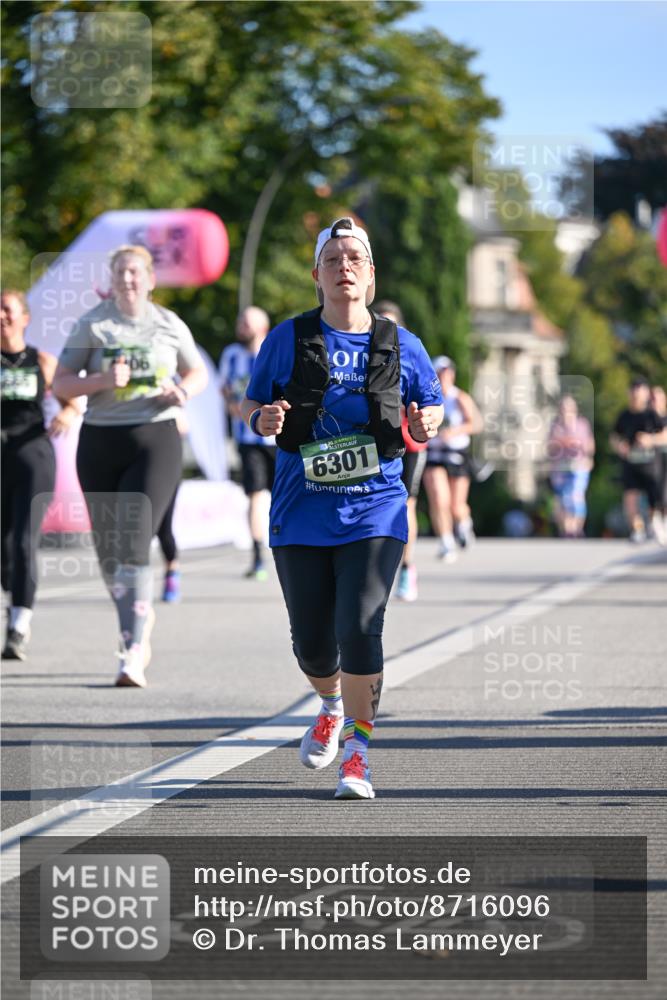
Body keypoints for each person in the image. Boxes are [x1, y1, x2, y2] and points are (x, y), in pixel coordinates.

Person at [242, 217, 443, 799]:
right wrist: (262, 418)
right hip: (301, 510)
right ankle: (329, 703)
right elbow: (252, 402)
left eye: (355, 258)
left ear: (371, 275)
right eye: (332, 259)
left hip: (376, 508)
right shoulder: (287, 338)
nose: (344, 266)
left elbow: (429, 409)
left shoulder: (403, 345)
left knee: (359, 627)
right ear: (318, 276)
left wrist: (426, 422)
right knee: (311, 642)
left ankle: (357, 750)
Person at [52, 245, 207, 687]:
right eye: (121, 272)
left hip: (155, 438)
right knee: (108, 550)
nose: (129, 280)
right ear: (112, 279)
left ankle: (131, 650)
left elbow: (197, 373)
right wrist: (100, 381)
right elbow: (60, 382)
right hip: (100, 439)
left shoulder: (167, 324)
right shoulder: (93, 323)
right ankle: (137, 613)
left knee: (134, 537)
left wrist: (183, 393)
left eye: (136, 272)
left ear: (151, 280)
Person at [1, 290, 80, 660]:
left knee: (22, 542)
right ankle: (12, 591)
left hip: (32, 455)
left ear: (24, 318)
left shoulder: (42, 361)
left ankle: (18, 625)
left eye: (7, 310)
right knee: (4, 549)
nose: (2, 316)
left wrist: (66, 413)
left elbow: (72, 398)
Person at [375, 300, 427, 602]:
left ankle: (407, 568)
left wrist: (427, 417)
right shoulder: (362, 358)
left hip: (409, 444)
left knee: (405, 505)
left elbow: (433, 399)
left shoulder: (413, 355)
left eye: (393, 324)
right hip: (377, 443)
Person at [220, 307, 275, 580]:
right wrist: (236, 408)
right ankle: (257, 557)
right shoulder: (231, 355)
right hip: (247, 438)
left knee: (284, 495)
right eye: (240, 320)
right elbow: (227, 393)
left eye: (247, 321)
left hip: (279, 439)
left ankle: (289, 548)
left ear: (262, 326)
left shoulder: (276, 351)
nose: (241, 325)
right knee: (254, 495)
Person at [423, 355, 482, 562]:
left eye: (447, 373)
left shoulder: (459, 398)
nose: (444, 377)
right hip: (434, 454)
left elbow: (476, 424)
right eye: (440, 373)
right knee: (439, 498)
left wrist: (454, 432)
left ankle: (464, 524)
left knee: (456, 506)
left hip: (456, 453)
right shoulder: (427, 397)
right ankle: (446, 542)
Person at [610, 378, 664, 544]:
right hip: (631, 463)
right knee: (630, 497)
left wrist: (651, 439)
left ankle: (654, 526)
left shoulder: (651, 414)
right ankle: (637, 529)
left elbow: (665, 435)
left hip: (650, 465)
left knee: (653, 500)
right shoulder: (624, 415)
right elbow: (614, 436)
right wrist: (619, 446)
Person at [547, 395, 595, 538]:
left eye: (569, 408)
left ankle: (576, 528)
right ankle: (567, 529)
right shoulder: (555, 426)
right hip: (560, 467)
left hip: (578, 466)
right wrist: (561, 443)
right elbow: (549, 448)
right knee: (562, 498)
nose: (565, 411)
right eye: (563, 408)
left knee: (576, 495)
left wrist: (580, 448)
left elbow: (590, 446)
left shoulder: (582, 424)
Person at [650, 386, 667, 545]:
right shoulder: (646, 419)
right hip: (652, 465)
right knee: (655, 496)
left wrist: (650, 439)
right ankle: (655, 525)